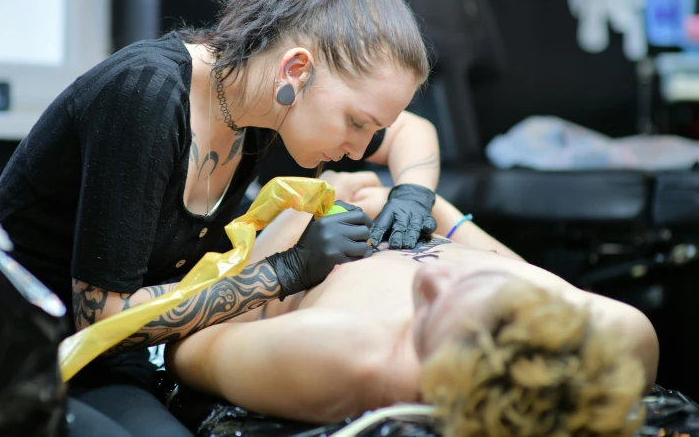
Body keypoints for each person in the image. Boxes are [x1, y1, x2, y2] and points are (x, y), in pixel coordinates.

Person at [0, 0, 440, 437]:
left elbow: (414, 131)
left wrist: (413, 193)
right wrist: (286, 270)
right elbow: (102, 317)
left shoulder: (265, 103)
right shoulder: (146, 97)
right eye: (356, 123)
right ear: (296, 70)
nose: (359, 147)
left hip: (106, 359)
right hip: (1, 346)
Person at [166, 172, 660, 436]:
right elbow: (524, 270)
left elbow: (187, 345)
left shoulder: (345, 357)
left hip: (296, 226)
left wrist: (289, 244)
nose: (433, 276)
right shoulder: (618, 331)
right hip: (395, 204)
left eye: (428, 310)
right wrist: (430, 205)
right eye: (478, 277)